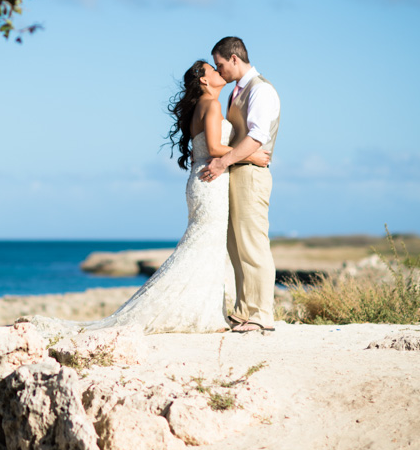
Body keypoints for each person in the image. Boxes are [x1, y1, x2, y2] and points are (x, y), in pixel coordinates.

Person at [29, 60, 268, 335]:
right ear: (203, 80)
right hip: (210, 182)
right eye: (212, 69)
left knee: (206, 246)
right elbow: (214, 147)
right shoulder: (211, 105)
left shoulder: (203, 105)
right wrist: (251, 154)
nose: (218, 71)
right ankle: (200, 313)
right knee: (203, 244)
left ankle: (205, 310)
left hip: (204, 180)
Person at [200, 37, 280, 333]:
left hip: (251, 174)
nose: (219, 71)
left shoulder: (261, 90)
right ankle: (244, 310)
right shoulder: (238, 92)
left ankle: (262, 313)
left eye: (220, 64)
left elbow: (257, 136)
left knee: (253, 244)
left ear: (235, 58)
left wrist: (222, 162)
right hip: (238, 171)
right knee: (236, 245)